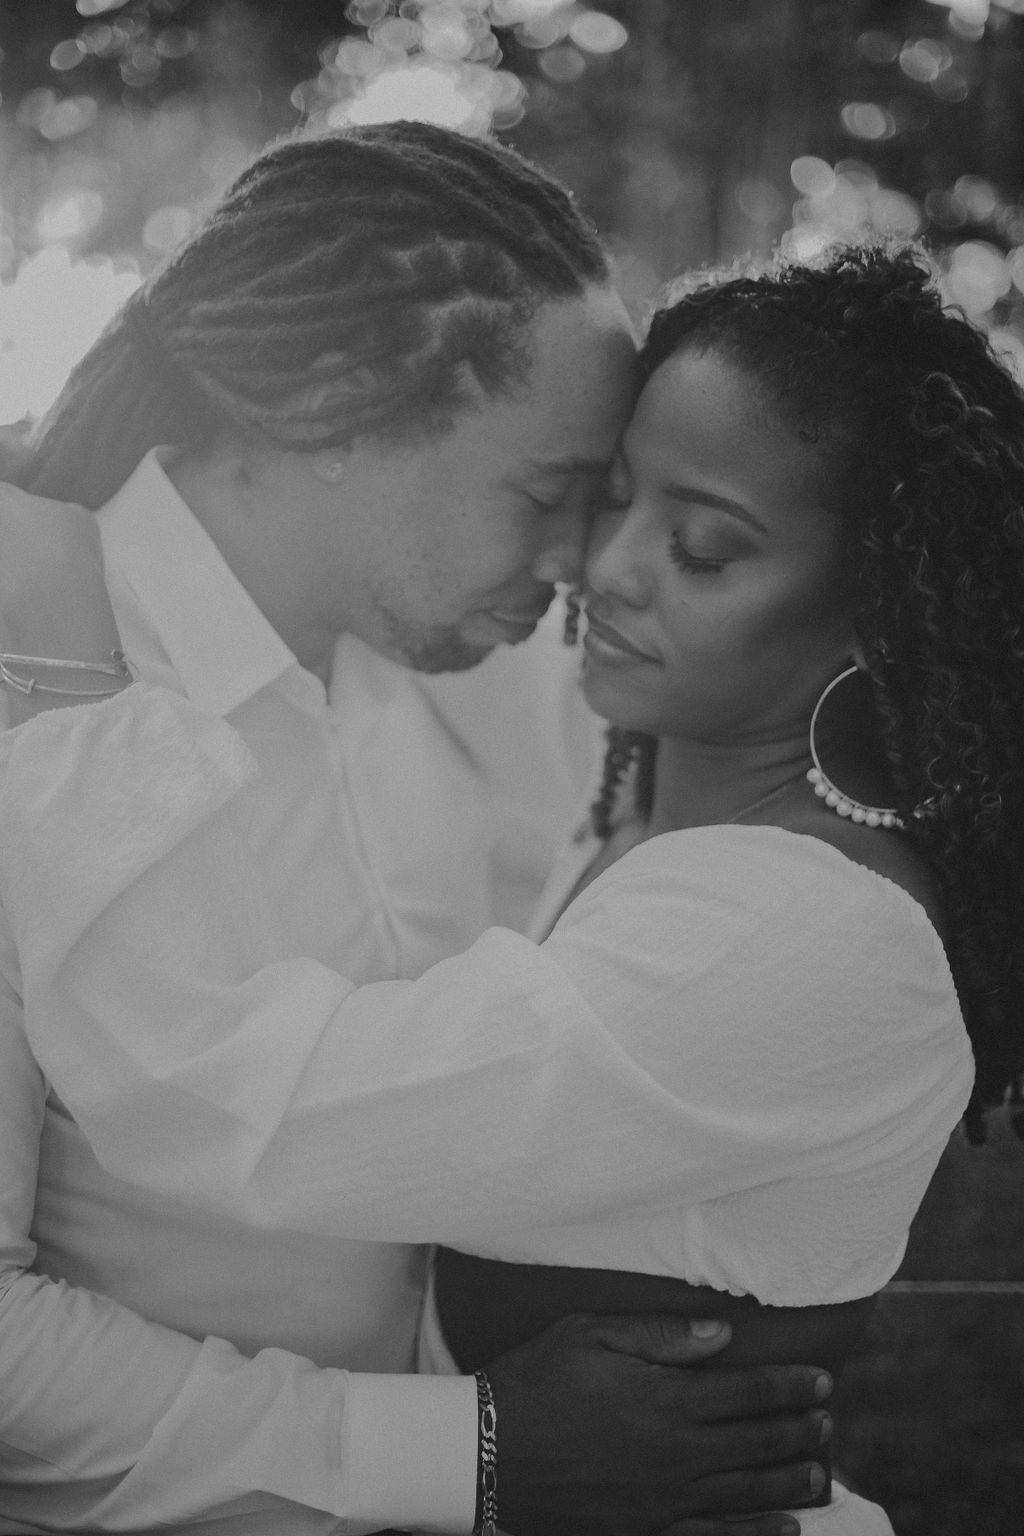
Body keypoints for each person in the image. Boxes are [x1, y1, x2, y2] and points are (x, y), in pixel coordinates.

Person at [4, 238, 1016, 1533]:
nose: (604, 568)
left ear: (878, 610)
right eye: (611, 500)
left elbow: (219, 1102)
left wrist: (68, 683)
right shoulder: (639, 792)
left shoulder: (800, 933)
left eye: (701, 547)